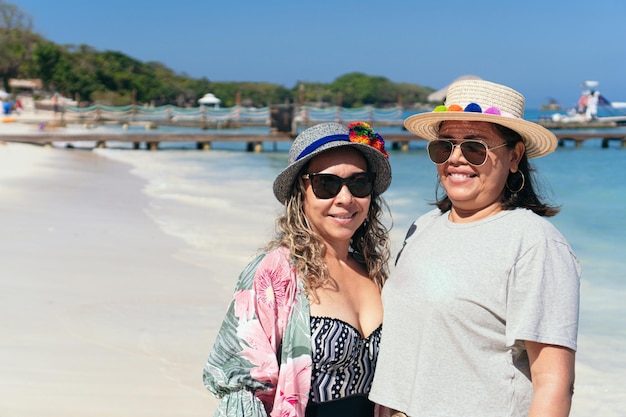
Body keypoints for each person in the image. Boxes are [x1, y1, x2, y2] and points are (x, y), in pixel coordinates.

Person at [369, 79, 581, 417]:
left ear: (514, 156)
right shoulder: (422, 228)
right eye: (444, 146)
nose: (456, 159)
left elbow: (553, 382)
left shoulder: (534, 242)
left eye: (475, 147)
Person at [203, 121, 393, 417]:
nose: (345, 198)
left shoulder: (375, 271)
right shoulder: (275, 273)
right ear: (300, 192)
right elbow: (242, 384)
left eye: (359, 183)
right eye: (326, 184)